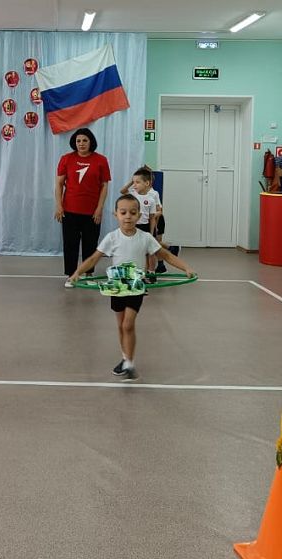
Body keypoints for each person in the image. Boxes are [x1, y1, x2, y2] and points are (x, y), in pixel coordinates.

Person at [68, 194, 196, 381]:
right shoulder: (112, 238)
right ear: (116, 215)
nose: (128, 216)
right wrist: (77, 272)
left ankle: (129, 363)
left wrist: (186, 268)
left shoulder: (145, 238)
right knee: (121, 326)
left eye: (133, 212)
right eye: (123, 212)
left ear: (139, 216)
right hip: (117, 285)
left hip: (136, 284)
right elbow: (94, 258)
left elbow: (166, 255)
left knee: (128, 324)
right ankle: (125, 359)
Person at [55, 127, 111, 287]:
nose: (81, 143)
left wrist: (99, 208)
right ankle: (71, 276)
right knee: (70, 244)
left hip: (92, 212)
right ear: (74, 142)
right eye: (78, 141)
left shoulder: (101, 160)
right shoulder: (66, 159)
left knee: (90, 244)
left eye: (85, 140)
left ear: (91, 142)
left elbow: (104, 186)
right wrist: (59, 206)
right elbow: (59, 184)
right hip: (69, 211)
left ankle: (89, 274)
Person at [120, 166, 162, 281]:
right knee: (136, 252)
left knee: (150, 251)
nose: (135, 185)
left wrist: (152, 232)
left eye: (137, 182)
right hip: (134, 227)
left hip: (146, 227)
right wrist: (132, 182)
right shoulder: (133, 195)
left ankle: (151, 273)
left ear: (147, 183)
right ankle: (139, 274)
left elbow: (152, 217)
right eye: (134, 182)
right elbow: (122, 191)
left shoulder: (151, 198)